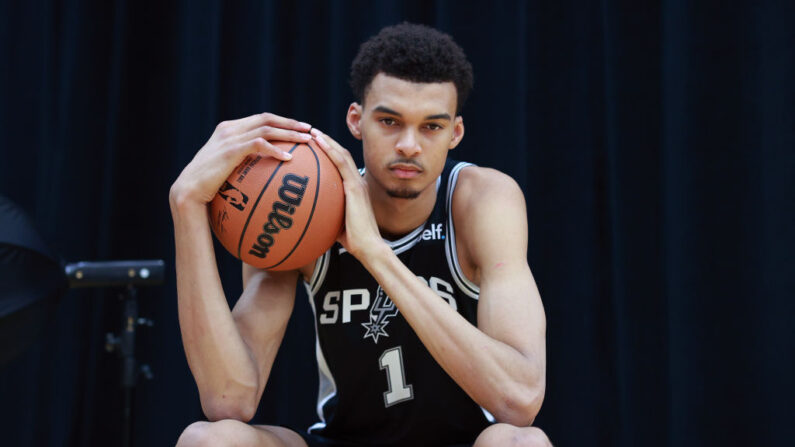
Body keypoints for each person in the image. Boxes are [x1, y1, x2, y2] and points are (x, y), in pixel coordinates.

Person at [170, 23, 551, 447]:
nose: (409, 144)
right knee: (209, 439)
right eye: (390, 121)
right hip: (342, 439)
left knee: (521, 443)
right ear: (356, 120)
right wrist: (185, 205)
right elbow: (229, 398)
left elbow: (520, 401)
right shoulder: (301, 210)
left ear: (455, 134)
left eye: (431, 127)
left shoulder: (481, 201)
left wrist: (374, 253)